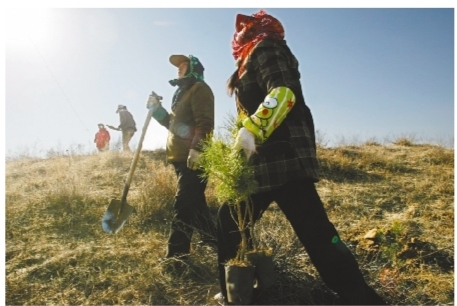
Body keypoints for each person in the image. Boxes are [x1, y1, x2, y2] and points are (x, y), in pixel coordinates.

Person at [214, 10, 388, 305]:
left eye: (247, 26)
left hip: (282, 160)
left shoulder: (265, 46)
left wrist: (253, 128)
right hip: (264, 163)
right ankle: (240, 292)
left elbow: (284, 91)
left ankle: (361, 298)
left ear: (259, 28)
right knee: (233, 220)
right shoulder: (248, 58)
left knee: (317, 236)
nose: (240, 31)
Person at [146, 54, 217, 260]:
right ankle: (212, 239)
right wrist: (157, 111)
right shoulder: (181, 95)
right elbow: (174, 126)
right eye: (178, 66)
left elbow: (205, 122)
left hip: (194, 157)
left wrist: (198, 149)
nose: (179, 68)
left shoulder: (200, 89)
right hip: (181, 157)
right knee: (195, 203)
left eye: (183, 65)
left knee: (183, 205)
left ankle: (177, 258)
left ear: (194, 67)